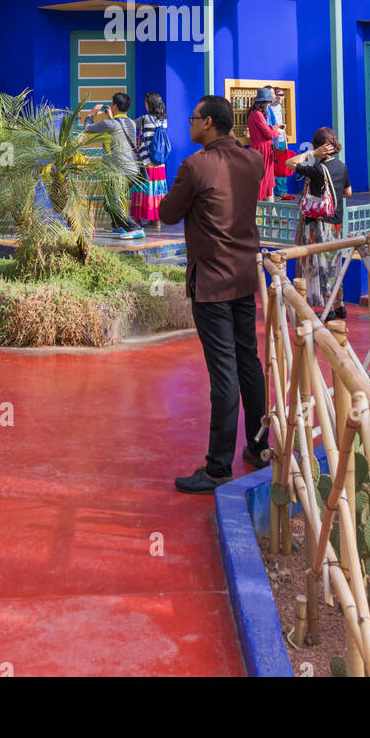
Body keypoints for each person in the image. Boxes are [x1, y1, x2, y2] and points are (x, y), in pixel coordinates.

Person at [159, 94, 267, 493]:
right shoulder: (252, 161)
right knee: (249, 364)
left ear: (207, 123)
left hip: (211, 283)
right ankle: (258, 448)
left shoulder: (195, 166)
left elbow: (168, 213)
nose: (189, 124)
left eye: (193, 118)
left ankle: (218, 467)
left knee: (223, 373)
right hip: (243, 276)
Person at [286, 128, 352, 318]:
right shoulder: (342, 166)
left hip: (318, 223)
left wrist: (311, 154)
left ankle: (329, 308)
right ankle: (339, 304)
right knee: (334, 264)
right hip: (336, 222)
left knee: (320, 265)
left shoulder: (317, 170)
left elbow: (289, 163)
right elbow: (348, 193)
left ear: (319, 147)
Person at [82, 92, 144, 240]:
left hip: (118, 171)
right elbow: (118, 132)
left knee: (112, 202)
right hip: (133, 171)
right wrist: (111, 117)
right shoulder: (131, 123)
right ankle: (118, 226)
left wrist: (92, 115)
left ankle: (134, 228)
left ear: (115, 105)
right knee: (110, 202)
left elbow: (87, 129)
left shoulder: (110, 124)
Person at [131, 92, 170, 228]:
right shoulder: (164, 120)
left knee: (142, 189)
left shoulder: (144, 119)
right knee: (157, 191)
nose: (144, 104)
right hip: (159, 163)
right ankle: (155, 220)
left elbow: (129, 126)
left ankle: (137, 219)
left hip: (146, 161)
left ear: (150, 104)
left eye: (146, 102)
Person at [247, 86, 282, 202]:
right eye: (267, 103)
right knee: (263, 180)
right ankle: (261, 212)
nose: (268, 105)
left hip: (262, 149)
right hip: (262, 150)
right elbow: (267, 134)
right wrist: (278, 131)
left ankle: (273, 212)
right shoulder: (257, 114)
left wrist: (275, 127)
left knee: (268, 180)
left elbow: (264, 129)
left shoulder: (254, 113)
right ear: (263, 102)